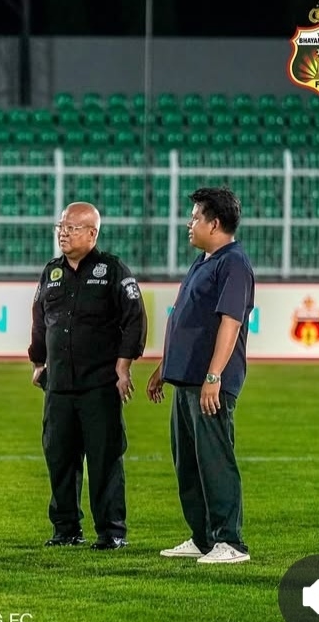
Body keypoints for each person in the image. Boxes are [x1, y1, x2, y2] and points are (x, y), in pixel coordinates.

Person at [28, 202, 146, 551]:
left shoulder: (112, 270)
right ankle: (66, 529)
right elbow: (39, 320)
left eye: (72, 228)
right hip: (59, 386)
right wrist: (38, 361)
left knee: (104, 458)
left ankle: (111, 532)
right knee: (60, 458)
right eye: (60, 227)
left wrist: (123, 367)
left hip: (99, 386)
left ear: (92, 233)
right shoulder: (51, 272)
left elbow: (134, 319)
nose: (63, 233)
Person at [147, 186, 254, 565]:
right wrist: (165, 366)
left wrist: (214, 376)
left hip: (208, 383)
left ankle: (231, 542)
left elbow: (231, 321)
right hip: (185, 378)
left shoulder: (234, 263)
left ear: (216, 222)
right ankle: (203, 537)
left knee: (214, 460)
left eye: (195, 217)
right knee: (188, 462)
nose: (189, 223)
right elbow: (185, 318)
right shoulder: (205, 261)